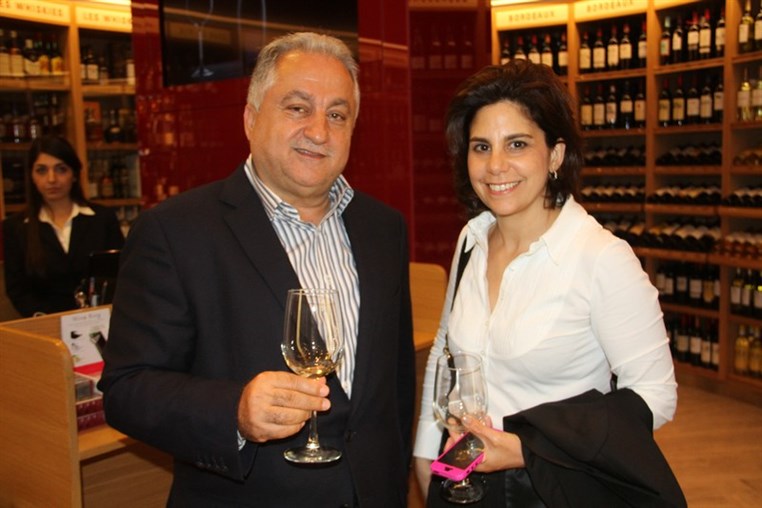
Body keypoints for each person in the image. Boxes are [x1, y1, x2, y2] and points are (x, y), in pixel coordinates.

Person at [98, 32, 415, 507]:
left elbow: (395, 386)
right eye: (297, 108)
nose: (319, 131)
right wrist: (235, 411)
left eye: (337, 114)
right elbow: (127, 389)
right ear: (250, 119)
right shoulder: (175, 231)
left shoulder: (383, 228)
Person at [413, 60, 684, 507]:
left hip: (554, 489)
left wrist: (527, 449)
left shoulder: (601, 258)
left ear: (555, 155)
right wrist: (426, 452)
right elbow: (447, 348)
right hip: (465, 474)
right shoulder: (471, 239)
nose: (495, 165)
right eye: (481, 147)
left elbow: (655, 396)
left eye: (517, 144)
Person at [2, 135, 124, 317]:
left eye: (61, 169)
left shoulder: (102, 218)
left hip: (100, 320)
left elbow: (121, 274)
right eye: (41, 170)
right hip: (44, 324)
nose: (51, 179)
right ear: (31, 176)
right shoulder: (15, 227)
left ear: (74, 174)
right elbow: (17, 289)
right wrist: (47, 320)